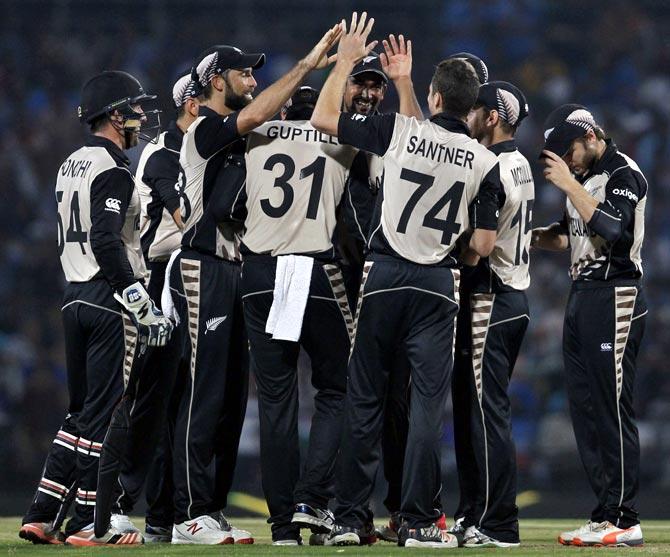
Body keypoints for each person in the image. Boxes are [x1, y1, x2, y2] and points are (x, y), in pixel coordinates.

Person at [311, 13, 501, 548]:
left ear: (435, 96)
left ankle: (349, 519)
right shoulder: (485, 163)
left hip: (385, 275)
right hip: (440, 284)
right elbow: (482, 246)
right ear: (475, 109)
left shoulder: (399, 130)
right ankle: (417, 521)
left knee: (365, 399)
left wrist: (348, 61)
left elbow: (327, 118)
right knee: (424, 407)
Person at [169, 26, 342, 545]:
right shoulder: (205, 126)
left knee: (230, 398)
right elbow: (258, 115)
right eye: (243, 72)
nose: (252, 78)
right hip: (203, 263)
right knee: (203, 392)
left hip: (239, 269)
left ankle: (213, 508)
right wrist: (310, 63)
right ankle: (190, 512)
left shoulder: (242, 136)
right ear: (216, 81)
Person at [19, 70, 172, 546]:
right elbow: (107, 240)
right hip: (108, 300)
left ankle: (43, 512)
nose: (141, 116)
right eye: (134, 108)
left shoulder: (71, 164)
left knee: (79, 414)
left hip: (74, 298)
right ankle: (91, 519)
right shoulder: (115, 169)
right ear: (114, 114)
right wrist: (137, 298)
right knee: (106, 416)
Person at [241, 86, 358, 545]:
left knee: (275, 400)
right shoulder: (340, 140)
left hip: (261, 271)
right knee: (339, 386)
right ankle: (313, 499)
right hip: (313, 270)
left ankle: (283, 524)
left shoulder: (258, 133)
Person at [533, 104, 647, 548]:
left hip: (616, 292)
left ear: (592, 136)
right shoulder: (580, 178)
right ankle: (605, 513)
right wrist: (529, 236)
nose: (567, 161)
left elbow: (614, 228)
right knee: (584, 408)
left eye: (570, 151)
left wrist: (566, 183)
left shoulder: (624, 172)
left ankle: (626, 516)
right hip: (582, 293)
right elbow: (569, 234)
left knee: (611, 405)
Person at [115, 73, 200, 544]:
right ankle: (118, 501)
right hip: (165, 276)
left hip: (192, 275)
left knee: (179, 403)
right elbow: (179, 211)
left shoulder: (197, 148)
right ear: (192, 102)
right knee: (153, 400)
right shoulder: (165, 150)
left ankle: (166, 516)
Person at [450, 80, 533, 548]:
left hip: (491, 297)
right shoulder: (520, 163)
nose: (470, 116)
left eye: (477, 109)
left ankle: (497, 521)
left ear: (493, 117)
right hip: (513, 297)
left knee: (485, 412)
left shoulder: (493, 168)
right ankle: (474, 510)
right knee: (476, 409)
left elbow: (480, 247)